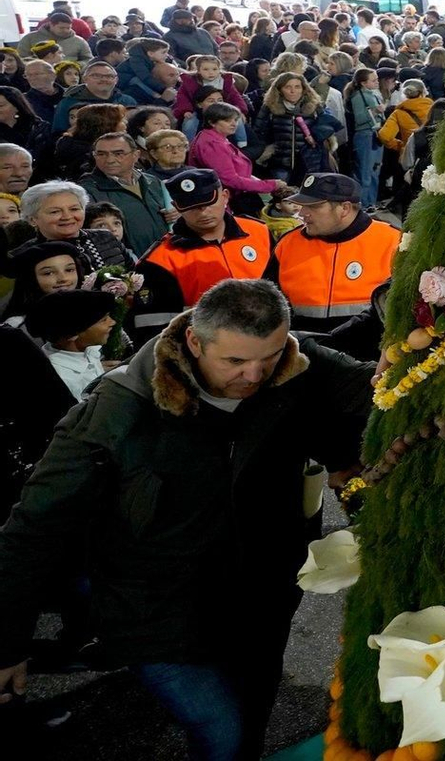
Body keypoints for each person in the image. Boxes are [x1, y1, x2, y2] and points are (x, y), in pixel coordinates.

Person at [0, 280, 372, 759]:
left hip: (261, 597)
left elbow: (373, 390)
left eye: (270, 355)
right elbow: (35, 527)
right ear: (194, 342)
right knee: (222, 730)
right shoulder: (116, 412)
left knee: (250, 716)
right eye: (234, 362)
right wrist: (8, 641)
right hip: (155, 613)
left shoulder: (296, 364)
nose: (255, 375)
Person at [132, 169, 277, 340]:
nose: (202, 212)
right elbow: (155, 333)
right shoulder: (159, 260)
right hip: (209, 352)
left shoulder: (260, 232)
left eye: (207, 203)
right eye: (191, 207)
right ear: (177, 206)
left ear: (225, 196)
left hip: (269, 338)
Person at [272, 173, 401, 333]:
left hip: (368, 354)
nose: (302, 212)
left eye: (313, 206)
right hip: (305, 351)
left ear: (344, 208)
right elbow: (268, 306)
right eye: (302, 205)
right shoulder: (288, 244)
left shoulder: (392, 241)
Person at [77, 131, 175, 256]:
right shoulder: (87, 191)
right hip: (128, 265)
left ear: (136, 155)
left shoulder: (153, 181)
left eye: (118, 154)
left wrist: (177, 214)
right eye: (101, 154)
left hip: (168, 257)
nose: (110, 160)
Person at [16, 181, 132, 273]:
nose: (67, 216)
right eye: (55, 212)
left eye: (74, 209)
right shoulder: (23, 256)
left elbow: (135, 275)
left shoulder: (105, 237)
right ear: (32, 219)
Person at [25, 288, 118, 401]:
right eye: (104, 320)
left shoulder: (87, 350)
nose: (113, 322)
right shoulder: (64, 380)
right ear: (72, 334)